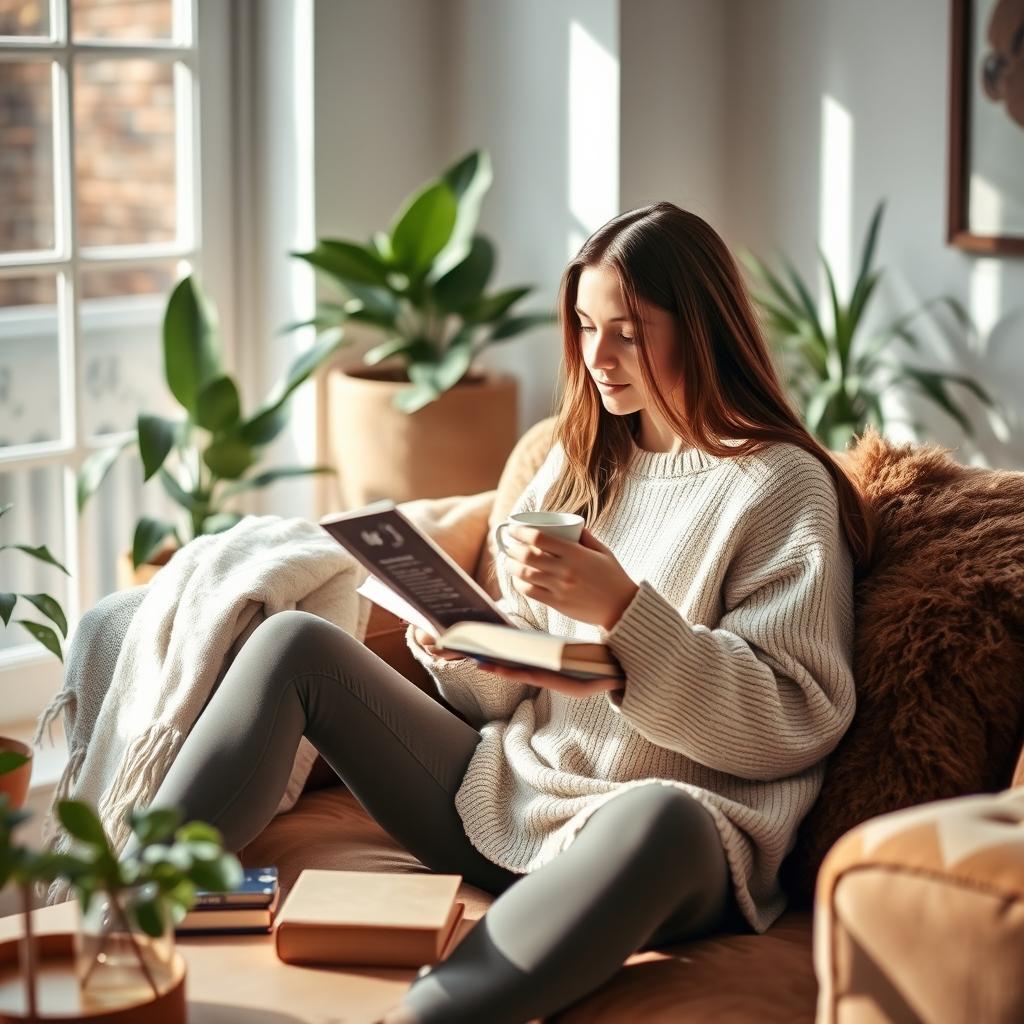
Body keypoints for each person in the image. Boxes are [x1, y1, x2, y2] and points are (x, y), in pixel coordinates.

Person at [132, 201, 875, 1024]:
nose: (598, 356)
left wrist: (624, 610)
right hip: (512, 792)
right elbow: (504, 701)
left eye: (629, 331)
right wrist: (460, 644)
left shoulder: (780, 485)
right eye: (586, 326)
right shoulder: (579, 457)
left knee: (658, 810)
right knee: (295, 645)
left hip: (674, 836)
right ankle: (122, 916)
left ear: (702, 328)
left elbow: (793, 720)